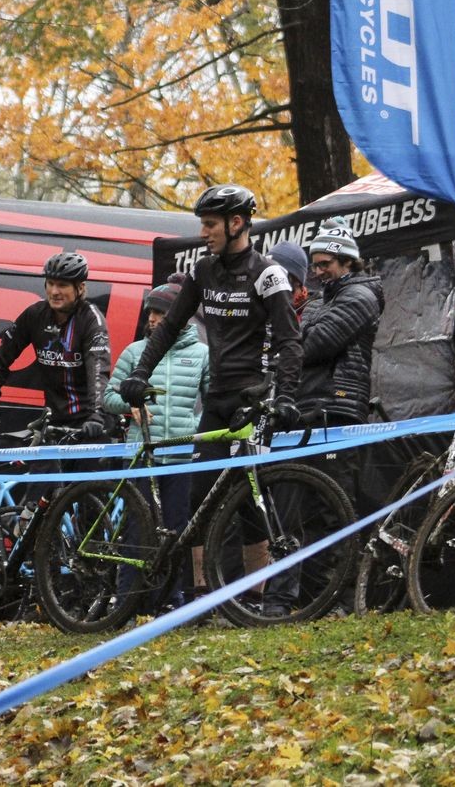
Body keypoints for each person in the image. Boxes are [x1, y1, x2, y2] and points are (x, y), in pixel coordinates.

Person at [118, 184, 302, 614]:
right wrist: (140, 372)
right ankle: (200, 600)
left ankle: (256, 598)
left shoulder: (267, 273)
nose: (203, 232)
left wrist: (286, 395)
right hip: (216, 400)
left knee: (251, 500)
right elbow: (167, 328)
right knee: (199, 498)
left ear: (236, 223)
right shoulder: (203, 272)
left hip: (251, 400)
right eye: (202, 224)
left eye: (209, 224)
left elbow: (291, 342)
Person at [105, 280, 209, 609]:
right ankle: (125, 602)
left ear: (180, 316)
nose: (152, 319)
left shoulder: (202, 353)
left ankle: (169, 601)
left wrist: (194, 427)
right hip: (139, 456)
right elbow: (109, 396)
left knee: (176, 532)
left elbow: (213, 400)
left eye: (161, 313)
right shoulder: (136, 352)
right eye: (150, 311)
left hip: (180, 456)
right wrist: (131, 407)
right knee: (137, 531)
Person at [0, 252, 111, 442]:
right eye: (50, 283)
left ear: (80, 288)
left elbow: (98, 372)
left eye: (62, 285)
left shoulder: (91, 319)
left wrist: (97, 416)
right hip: (52, 420)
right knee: (39, 470)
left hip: (88, 423)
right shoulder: (34, 314)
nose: (54, 291)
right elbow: (0, 361)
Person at [298, 217, 385, 514]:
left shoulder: (361, 296)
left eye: (325, 264)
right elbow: (299, 340)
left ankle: (343, 561)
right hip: (311, 405)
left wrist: (304, 335)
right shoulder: (319, 300)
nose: (318, 272)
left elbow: (313, 345)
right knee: (308, 506)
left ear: (347, 261)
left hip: (338, 408)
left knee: (334, 506)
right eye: (315, 264)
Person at [268, 241, 311, 314]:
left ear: (297, 280)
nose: (269, 279)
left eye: (277, 273)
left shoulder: (316, 314)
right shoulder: (260, 308)